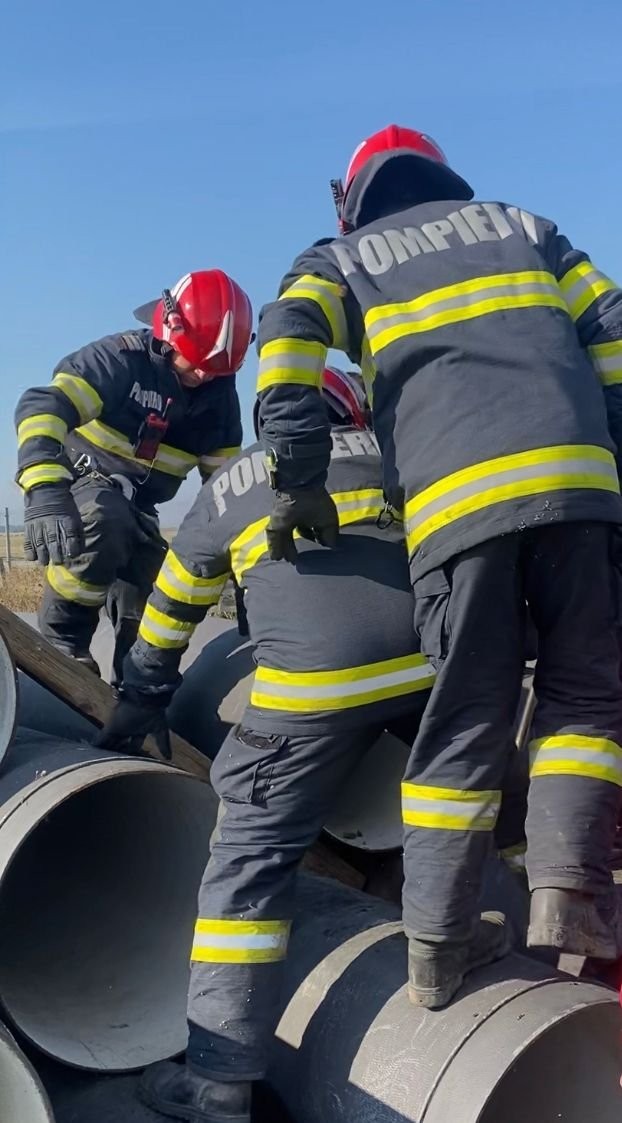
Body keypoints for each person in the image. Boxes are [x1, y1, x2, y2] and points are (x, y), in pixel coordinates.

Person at [253, 124, 622, 1009]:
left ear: (354, 200)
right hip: (580, 487)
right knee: (583, 695)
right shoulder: (526, 226)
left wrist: (299, 476)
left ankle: (438, 943)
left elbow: (286, 338)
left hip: (458, 507)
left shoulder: (341, 257)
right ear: (442, 179)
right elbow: (612, 331)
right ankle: (568, 894)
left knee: (466, 716)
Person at [97, 368, 442, 1120]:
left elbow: (171, 608)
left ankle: (217, 1081)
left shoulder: (231, 486)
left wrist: (141, 698)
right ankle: (458, 944)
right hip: (429, 670)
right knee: (454, 806)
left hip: (310, 691)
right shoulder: (400, 450)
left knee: (247, 865)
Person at [15, 269, 252, 680]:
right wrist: (44, 488)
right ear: (169, 330)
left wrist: (250, 579)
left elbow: (228, 496)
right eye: (196, 361)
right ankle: (64, 642)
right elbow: (42, 407)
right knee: (105, 520)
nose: (204, 375)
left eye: (216, 368)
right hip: (84, 489)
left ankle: (133, 682)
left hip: (140, 511)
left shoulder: (220, 402)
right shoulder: (120, 361)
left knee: (158, 581)